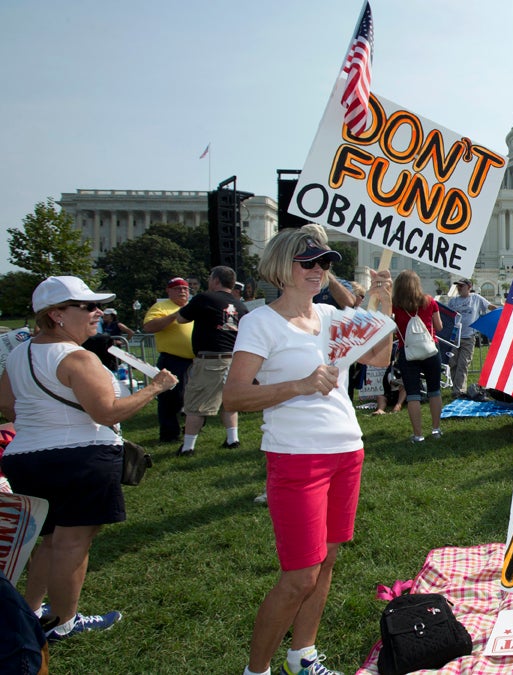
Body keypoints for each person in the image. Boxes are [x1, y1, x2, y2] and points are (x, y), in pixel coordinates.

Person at [223, 225, 392, 675]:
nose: (319, 270)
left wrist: (385, 301)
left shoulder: (332, 317)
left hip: (346, 449)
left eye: (325, 263)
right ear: (282, 267)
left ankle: (303, 655)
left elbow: (378, 359)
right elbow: (234, 398)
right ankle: (256, 670)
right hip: (297, 458)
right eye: (309, 262)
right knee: (299, 575)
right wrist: (297, 385)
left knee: (328, 561)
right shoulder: (261, 321)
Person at [0, 276, 178, 642]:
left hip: (25, 458)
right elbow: (107, 412)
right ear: (57, 315)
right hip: (79, 458)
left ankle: (31, 614)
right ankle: (63, 622)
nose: (98, 312)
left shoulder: (20, 353)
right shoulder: (77, 358)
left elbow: (7, 402)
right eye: (87, 307)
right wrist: (156, 388)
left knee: (49, 541)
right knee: (72, 543)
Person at [174, 266, 250, 455]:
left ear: (216, 280)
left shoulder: (204, 298)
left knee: (196, 404)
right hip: (234, 359)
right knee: (229, 401)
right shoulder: (240, 306)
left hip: (211, 359)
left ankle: (187, 447)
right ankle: (233, 440)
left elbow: (181, 319)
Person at [392, 270, 443, 442]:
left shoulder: (395, 305)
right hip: (430, 349)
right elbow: (439, 326)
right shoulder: (429, 301)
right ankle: (436, 429)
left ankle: (418, 435)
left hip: (407, 352)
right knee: (434, 390)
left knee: (413, 394)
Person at [142, 277, 194, 442]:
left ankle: (191, 430)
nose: (182, 291)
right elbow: (149, 327)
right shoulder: (161, 307)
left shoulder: (193, 307)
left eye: (185, 289)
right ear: (168, 291)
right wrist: (174, 315)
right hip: (172, 360)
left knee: (193, 397)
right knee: (170, 398)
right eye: (177, 288)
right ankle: (169, 434)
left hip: (195, 361)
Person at [444, 278, 493, 397]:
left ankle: (459, 391)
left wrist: (505, 310)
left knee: (463, 363)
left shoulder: (476, 298)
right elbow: (446, 315)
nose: (459, 288)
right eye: (458, 286)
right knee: (453, 363)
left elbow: (489, 306)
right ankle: (457, 388)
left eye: (462, 286)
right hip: (454, 338)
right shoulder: (453, 301)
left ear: (469, 287)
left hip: (468, 337)